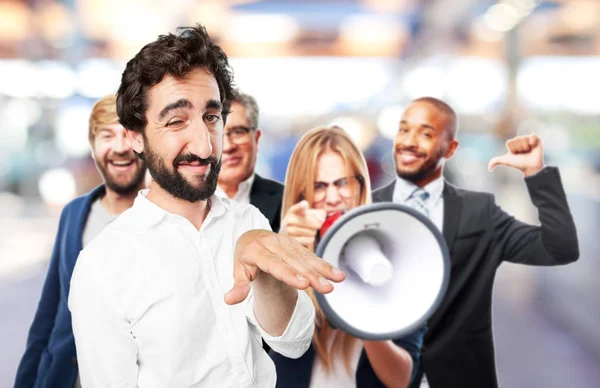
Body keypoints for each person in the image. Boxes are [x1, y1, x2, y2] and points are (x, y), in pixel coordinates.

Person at [67, 25, 345, 388]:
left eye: (211, 118)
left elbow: (293, 342)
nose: (203, 145)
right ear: (136, 136)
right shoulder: (102, 265)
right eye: (176, 121)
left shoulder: (249, 222)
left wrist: (264, 272)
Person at [372, 96, 580, 388]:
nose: (409, 141)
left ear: (451, 148)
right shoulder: (365, 211)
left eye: (426, 133)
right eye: (404, 130)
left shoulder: (479, 212)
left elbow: (559, 248)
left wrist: (536, 174)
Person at [270, 125, 426, 388]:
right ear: (300, 193)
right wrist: (283, 256)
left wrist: (364, 314)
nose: (332, 198)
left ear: (361, 185)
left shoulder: (397, 256)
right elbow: (268, 342)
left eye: (342, 183)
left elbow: (401, 379)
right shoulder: (283, 249)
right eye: (318, 186)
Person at [14, 94, 147, 388]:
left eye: (129, 135)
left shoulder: (166, 218)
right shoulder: (75, 214)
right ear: (93, 145)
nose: (120, 148)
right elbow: (49, 313)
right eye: (107, 135)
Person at [216, 90, 284, 231]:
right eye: (218, 134)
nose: (228, 146)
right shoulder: (182, 204)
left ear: (257, 138)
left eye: (238, 132)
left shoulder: (287, 201)